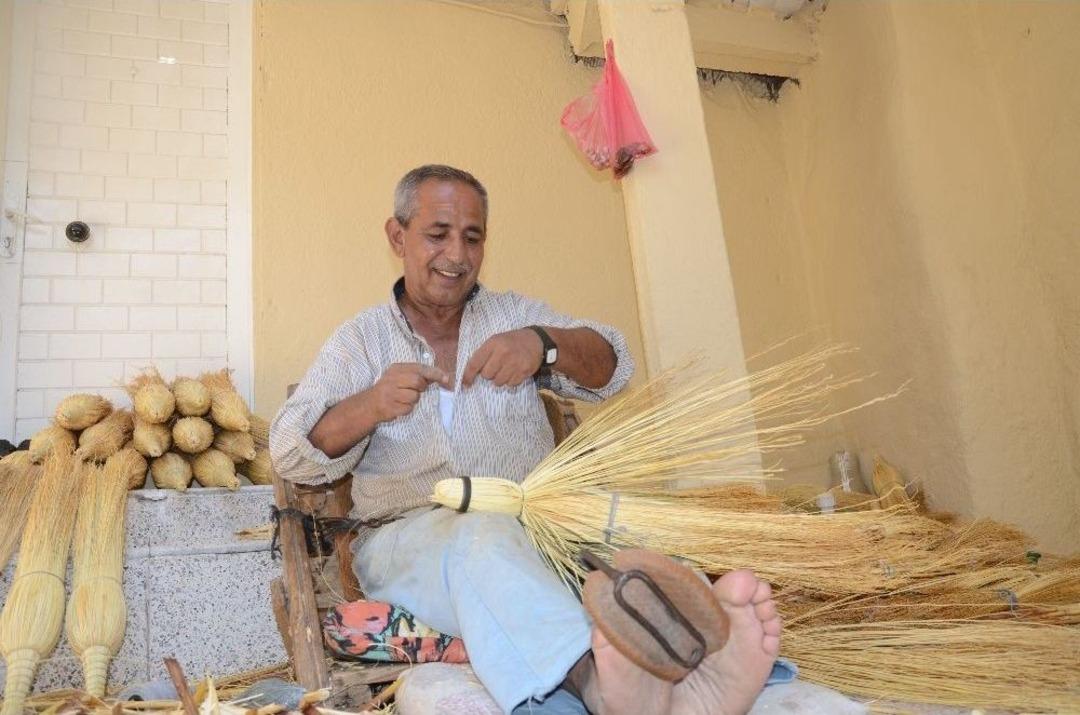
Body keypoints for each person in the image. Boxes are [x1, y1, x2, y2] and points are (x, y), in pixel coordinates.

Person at [271, 165, 781, 715]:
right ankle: (599, 685)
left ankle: (705, 670)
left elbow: (613, 366)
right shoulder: (360, 341)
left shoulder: (513, 315)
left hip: (538, 525)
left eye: (473, 237)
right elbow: (291, 452)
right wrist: (369, 404)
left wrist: (544, 344)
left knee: (628, 527)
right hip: (405, 544)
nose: (457, 254)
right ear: (398, 236)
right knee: (481, 537)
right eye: (438, 234)